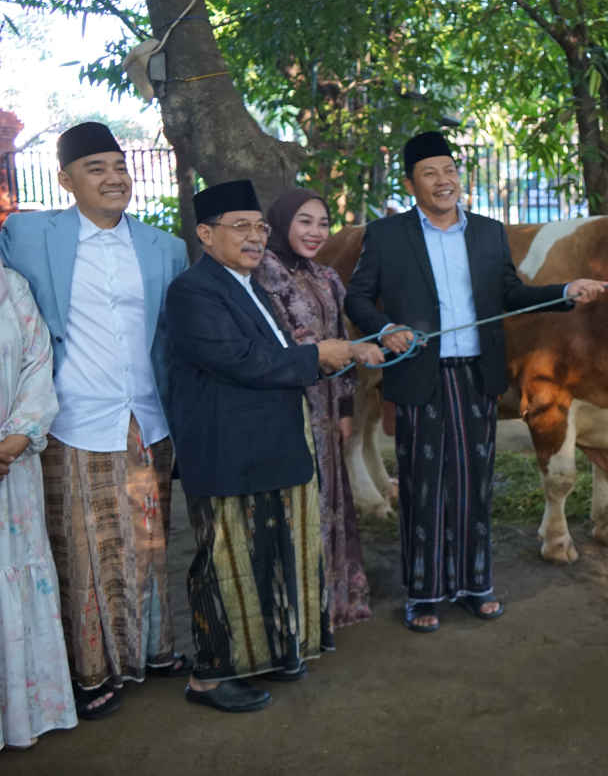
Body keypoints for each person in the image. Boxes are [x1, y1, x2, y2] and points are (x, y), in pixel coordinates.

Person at [345, 131, 608, 633]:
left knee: (474, 483)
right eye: (430, 173)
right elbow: (357, 298)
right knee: (423, 488)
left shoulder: (489, 233)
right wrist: (385, 329)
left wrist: (565, 292)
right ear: (411, 183)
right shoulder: (386, 236)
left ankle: (474, 584)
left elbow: (510, 293)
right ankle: (423, 592)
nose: (443, 181)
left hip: (476, 376)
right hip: (419, 375)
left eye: (449, 170)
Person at [0, 122, 190, 721]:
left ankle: (154, 650)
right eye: (95, 168)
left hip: (145, 417)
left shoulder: (165, 247)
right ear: (65, 180)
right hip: (72, 418)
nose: (113, 178)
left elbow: (173, 338)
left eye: (119, 166)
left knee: (148, 541)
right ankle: (89, 670)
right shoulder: (29, 234)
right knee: (83, 551)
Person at [166, 179, 372, 713]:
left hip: (272, 443)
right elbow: (240, 361)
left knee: (271, 558)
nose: (256, 237)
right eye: (242, 227)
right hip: (227, 450)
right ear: (206, 234)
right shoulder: (193, 291)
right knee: (223, 562)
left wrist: (342, 352)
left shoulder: (250, 285)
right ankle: (209, 676)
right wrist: (318, 355)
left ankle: (267, 655)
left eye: (260, 227)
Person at [254, 188, 373, 628]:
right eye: (305, 221)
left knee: (330, 502)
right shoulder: (259, 273)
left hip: (325, 411)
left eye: (323, 223)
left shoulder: (326, 277)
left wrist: (344, 408)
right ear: (282, 221)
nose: (315, 231)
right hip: (284, 405)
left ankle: (330, 601)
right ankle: (293, 610)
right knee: (292, 504)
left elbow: (341, 340)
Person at [0, 258, 76, 750]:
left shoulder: (11, 286)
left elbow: (36, 361)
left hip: (11, 466)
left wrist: (14, 440)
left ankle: (22, 716)